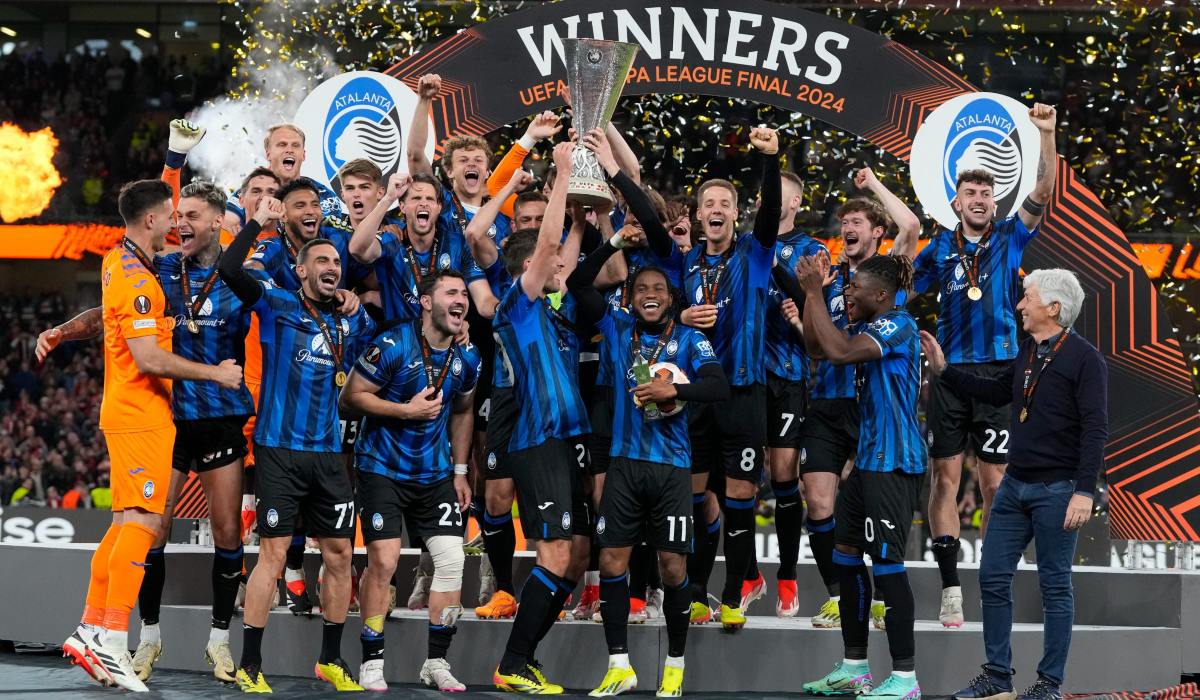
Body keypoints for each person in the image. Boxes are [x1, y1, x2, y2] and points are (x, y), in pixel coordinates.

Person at [58, 179, 242, 693]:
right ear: (150, 220)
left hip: (126, 411)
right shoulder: (140, 281)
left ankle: (91, 628)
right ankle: (114, 640)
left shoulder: (117, 260)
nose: (175, 222)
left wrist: (174, 160)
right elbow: (148, 358)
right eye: (169, 215)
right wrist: (215, 373)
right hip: (142, 414)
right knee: (143, 524)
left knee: (122, 525)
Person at [924, 269, 1107, 700]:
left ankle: (1049, 684)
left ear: (1054, 308)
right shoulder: (1028, 351)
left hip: (1058, 490)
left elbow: (1096, 429)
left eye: (1028, 298)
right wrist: (945, 371)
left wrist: (1084, 491)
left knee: (1055, 586)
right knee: (991, 576)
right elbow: (993, 391)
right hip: (1014, 486)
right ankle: (997, 678)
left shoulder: (1085, 359)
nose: (1020, 305)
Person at [218, 197, 375, 693]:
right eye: (321, 261)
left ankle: (330, 659)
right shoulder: (278, 303)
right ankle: (250, 664)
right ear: (301, 271)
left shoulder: (352, 320)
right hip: (279, 450)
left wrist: (360, 301)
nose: (332, 267)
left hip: (329, 455)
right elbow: (229, 269)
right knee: (272, 554)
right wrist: (257, 225)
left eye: (336, 262)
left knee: (340, 555)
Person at [914, 103, 1058, 627]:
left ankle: (995, 577)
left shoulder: (1010, 237)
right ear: (955, 202)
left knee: (996, 484)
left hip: (1000, 375)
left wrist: (1047, 134)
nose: (979, 199)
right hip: (950, 377)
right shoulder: (937, 249)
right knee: (945, 481)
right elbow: (901, 290)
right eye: (970, 193)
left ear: (995, 202)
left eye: (986, 193)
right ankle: (951, 587)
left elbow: (1043, 190)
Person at [569, 228, 730, 695]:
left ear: (672, 298)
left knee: (673, 568)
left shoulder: (691, 340)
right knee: (612, 561)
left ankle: (675, 665)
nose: (650, 295)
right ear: (630, 297)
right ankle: (619, 665)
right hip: (624, 466)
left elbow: (718, 387)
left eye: (659, 289)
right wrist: (615, 242)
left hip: (671, 469)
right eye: (641, 289)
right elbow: (578, 282)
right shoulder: (618, 329)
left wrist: (672, 390)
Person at [131, 182, 255, 683]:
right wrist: (66, 329)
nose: (181, 223)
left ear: (219, 222)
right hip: (170, 417)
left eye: (193, 216)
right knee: (153, 530)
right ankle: (149, 637)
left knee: (226, 533)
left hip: (221, 417)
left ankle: (219, 642)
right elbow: (120, 309)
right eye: (179, 215)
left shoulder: (241, 276)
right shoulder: (162, 269)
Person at [789, 167, 920, 628]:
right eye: (843, 222)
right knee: (818, 502)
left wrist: (873, 185)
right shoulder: (829, 280)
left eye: (857, 221)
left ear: (877, 232)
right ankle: (838, 596)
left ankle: (881, 598)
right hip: (827, 401)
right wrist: (812, 299)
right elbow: (814, 348)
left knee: (872, 510)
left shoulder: (884, 276)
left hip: (869, 411)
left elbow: (911, 226)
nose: (847, 228)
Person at [340, 269, 481, 692]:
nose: (461, 300)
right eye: (451, 292)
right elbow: (350, 398)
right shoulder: (393, 344)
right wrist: (406, 411)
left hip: (434, 474)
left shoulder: (468, 358)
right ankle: (371, 660)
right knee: (383, 562)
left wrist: (460, 471)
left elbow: (463, 411)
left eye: (464, 294)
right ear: (426, 302)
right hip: (381, 468)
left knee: (452, 561)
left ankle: (436, 662)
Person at [797, 253, 925, 700]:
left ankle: (905, 678)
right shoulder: (869, 326)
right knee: (846, 556)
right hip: (868, 462)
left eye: (855, 287)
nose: (848, 292)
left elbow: (840, 352)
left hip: (895, 463)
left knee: (887, 568)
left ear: (882, 294)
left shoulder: (898, 324)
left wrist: (814, 291)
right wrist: (813, 298)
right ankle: (855, 668)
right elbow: (818, 348)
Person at [491, 142, 592, 694]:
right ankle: (513, 661)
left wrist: (580, 222)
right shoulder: (518, 304)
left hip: (568, 441)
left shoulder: (547, 308)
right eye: (551, 264)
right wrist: (562, 174)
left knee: (575, 557)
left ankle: (524, 657)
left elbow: (560, 252)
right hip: (539, 440)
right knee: (554, 553)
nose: (560, 269)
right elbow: (548, 245)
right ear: (530, 268)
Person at [678, 126, 781, 629]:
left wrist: (770, 161)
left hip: (743, 394)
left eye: (725, 203)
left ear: (736, 214)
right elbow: (657, 314)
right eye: (709, 204)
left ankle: (734, 595)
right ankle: (697, 592)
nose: (716, 209)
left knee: (740, 498)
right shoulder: (685, 264)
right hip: (697, 396)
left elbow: (770, 215)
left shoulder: (755, 255)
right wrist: (680, 317)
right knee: (697, 499)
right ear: (699, 216)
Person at [755, 169, 827, 617]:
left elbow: (818, 313)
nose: (767, 196)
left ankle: (787, 578)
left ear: (796, 201)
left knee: (783, 477)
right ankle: (747, 575)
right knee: (734, 479)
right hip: (743, 376)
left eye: (777, 192)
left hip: (787, 373)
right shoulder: (744, 244)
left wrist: (796, 297)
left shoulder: (812, 250)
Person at [261, 123, 344, 216]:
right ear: (268, 154)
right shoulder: (252, 195)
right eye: (282, 145)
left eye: (295, 145)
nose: (289, 150)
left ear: (303, 155)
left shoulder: (325, 198)